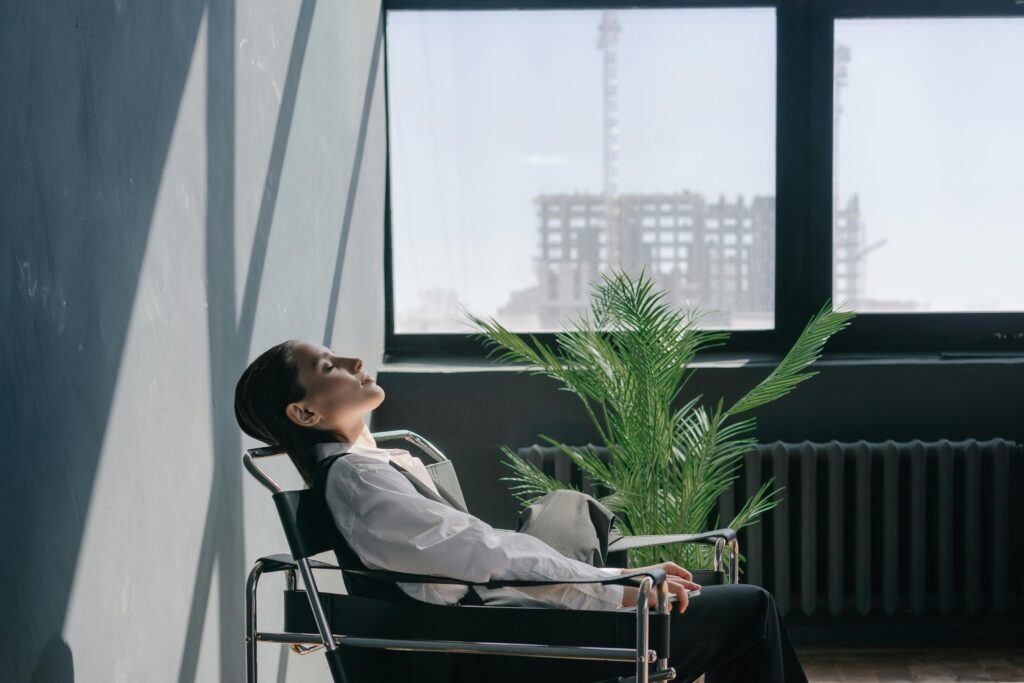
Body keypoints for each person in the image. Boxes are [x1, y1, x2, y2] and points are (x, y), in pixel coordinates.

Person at [234, 339, 809, 682]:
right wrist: (620, 585)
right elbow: (486, 559)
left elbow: (480, 558)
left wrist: (620, 583)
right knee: (749, 611)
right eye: (329, 366)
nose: (352, 359)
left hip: (497, 620)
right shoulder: (362, 482)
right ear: (304, 414)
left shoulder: (374, 464)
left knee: (581, 515)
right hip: (499, 645)